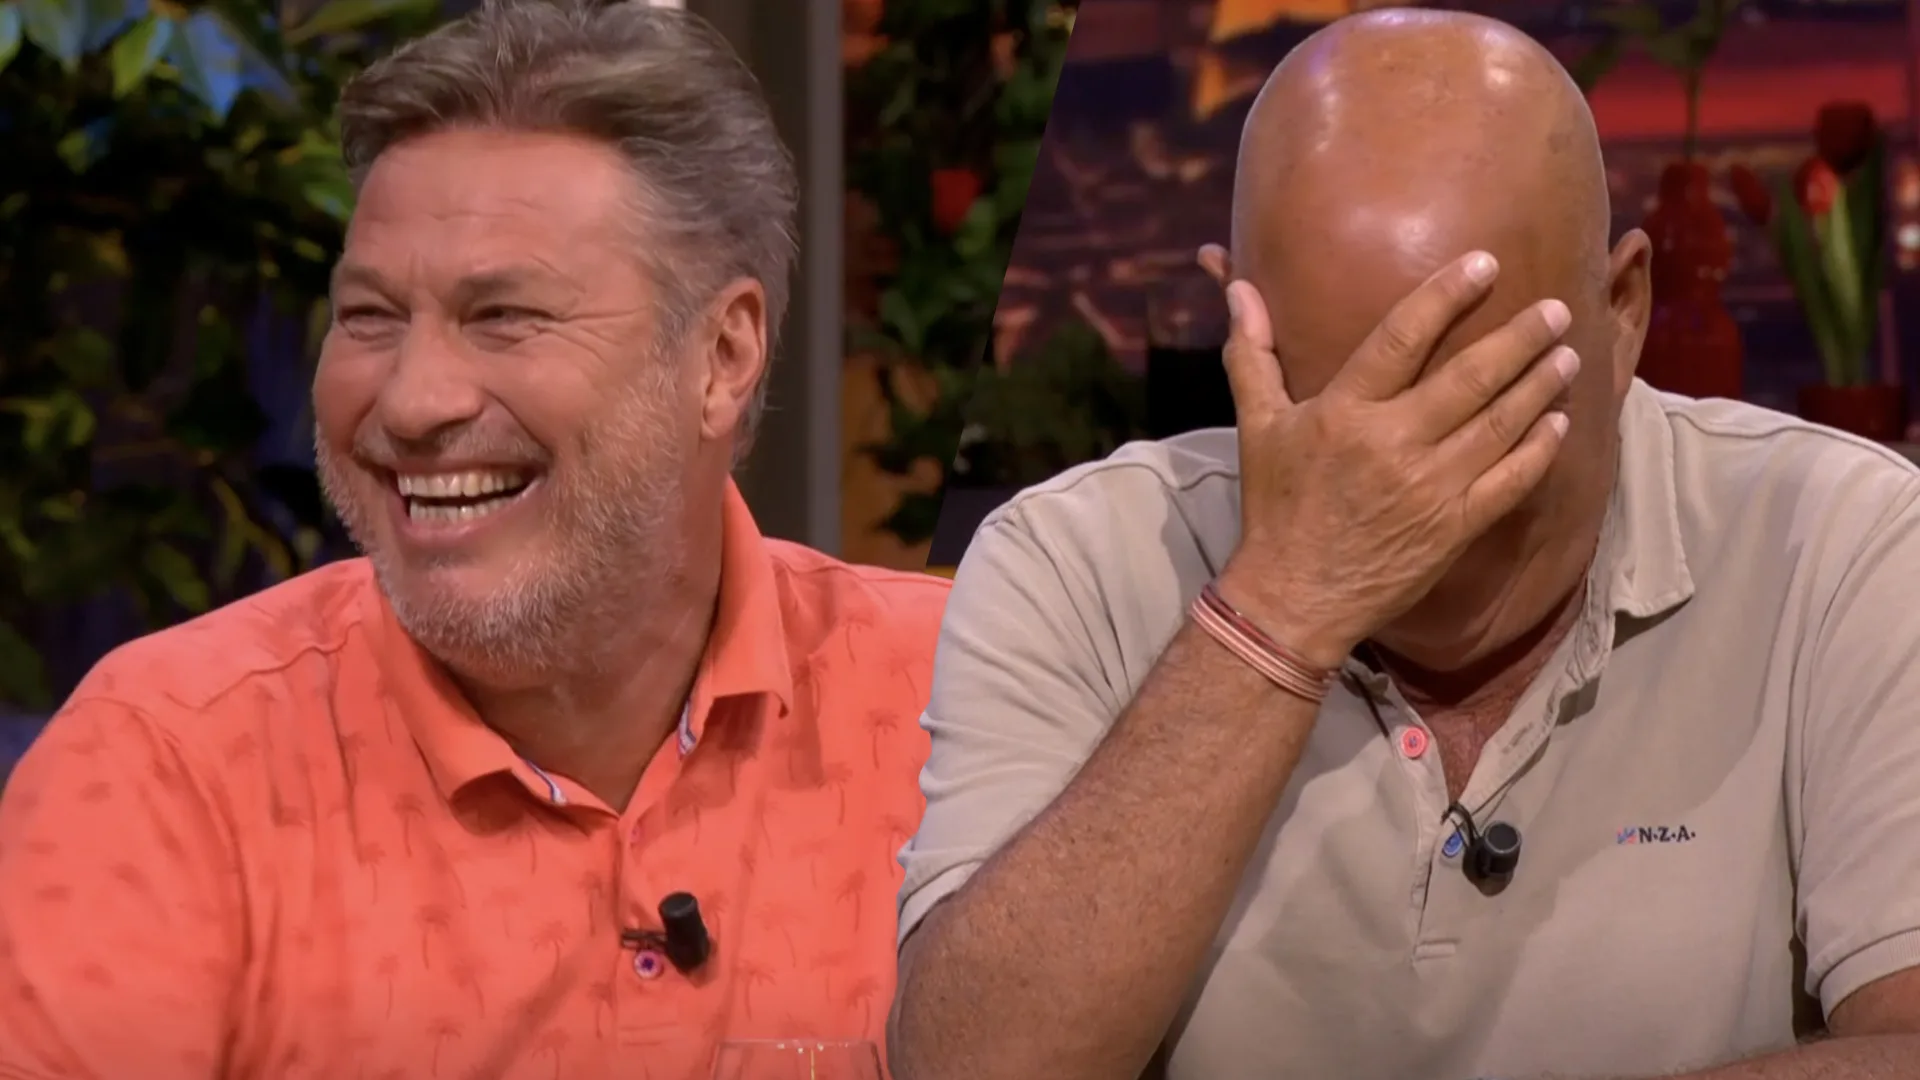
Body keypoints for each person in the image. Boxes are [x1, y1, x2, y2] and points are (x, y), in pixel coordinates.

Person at [890, 10, 1920, 1080]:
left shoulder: (1844, 545)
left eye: (1481, 407)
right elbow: (972, 1067)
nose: (1411, 488)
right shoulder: (1076, 562)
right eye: (1341, 411)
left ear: (1621, 313)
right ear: (1238, 333)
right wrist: (1281, 605)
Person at [0, 2, 946, 1077]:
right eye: (369, 317)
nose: (412, 402)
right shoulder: (166, 766)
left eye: (503, 317)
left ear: (722, 357)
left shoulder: (956, 703)